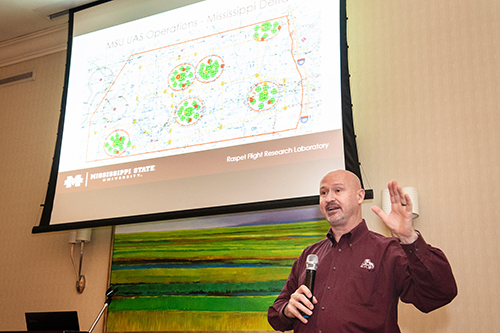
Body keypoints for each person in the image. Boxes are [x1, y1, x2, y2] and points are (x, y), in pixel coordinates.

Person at [267, 170, 457, 333]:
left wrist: (408, 237)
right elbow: (275, 314)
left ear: (360, 196)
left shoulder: (388, 250)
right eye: (323, 193)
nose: (329, 198)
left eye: (338, 190)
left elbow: (439, 294)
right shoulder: (310, 254)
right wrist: (286, 310)